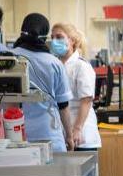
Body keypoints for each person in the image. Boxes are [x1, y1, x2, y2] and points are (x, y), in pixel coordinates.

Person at [9, 13, 75, 152]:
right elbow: (63, 105)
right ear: (45, 35)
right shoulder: (53, 63)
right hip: (49, 135)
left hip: (15, 135)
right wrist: (69, 136)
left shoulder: (9, 58)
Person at [51, 22, 100, 151]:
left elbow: (86, 100)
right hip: (62, 133)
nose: (55, 41)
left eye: (59, 37)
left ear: (72, 40)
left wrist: (77, 129)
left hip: (81, 133)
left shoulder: (81, 66)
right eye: (52, 37)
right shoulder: (55, 65)